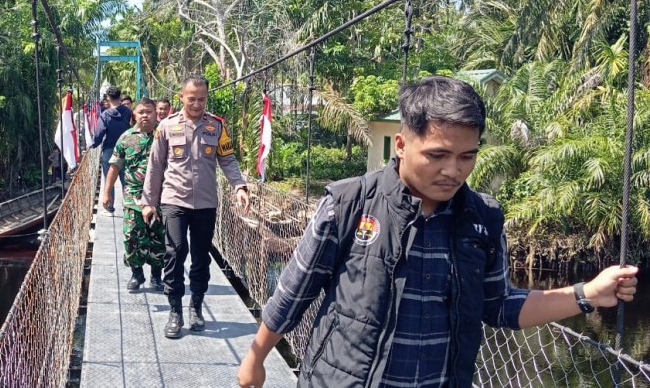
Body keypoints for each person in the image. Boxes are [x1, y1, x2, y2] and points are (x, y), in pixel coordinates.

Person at [237, 76, 640, 387]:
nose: (453, 170)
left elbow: (498, 305)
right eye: (437, 155)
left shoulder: (483, 218)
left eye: (468, 156)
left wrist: (585, 295)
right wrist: (255, 358)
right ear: (400, 144)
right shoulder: (349, 204)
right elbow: (294, 291)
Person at [142, 74, 250, 339]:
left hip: (205, 203)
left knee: (201, 258)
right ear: (182, 97)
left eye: (202, 99)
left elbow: (228, 159)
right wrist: (148, 203)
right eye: (192, 99)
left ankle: (196, 307)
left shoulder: (216, 126)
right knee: (176, 252)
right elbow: (155, 166)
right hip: (173, 200)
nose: (197, 104)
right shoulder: (166, 126)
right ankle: (175, 311)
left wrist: (239, 186)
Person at [101, 98, 165, 292]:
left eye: (149, 111)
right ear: (134, 115)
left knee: (158, 237)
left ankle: (156, 277)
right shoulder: (126, 137)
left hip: (161, 197)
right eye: (141, 112)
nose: (145, 115)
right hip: (133, 197)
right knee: (131, 237)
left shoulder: (165, 135)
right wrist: (107, 192)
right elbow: (115, 165)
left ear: (156, 114)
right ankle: (137, 275)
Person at [91, 86, 132, 214]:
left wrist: (93, 144)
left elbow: (99, 134)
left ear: (108, 98)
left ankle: (109, 206)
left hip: (109, 150)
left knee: (109, 178)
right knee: (126, 178)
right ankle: (129, 205)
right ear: (120, 97)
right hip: (126, 149)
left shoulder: (105, 115)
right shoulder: (127, 112)